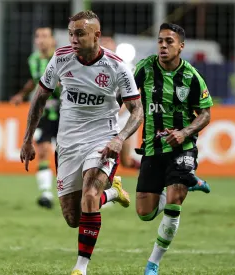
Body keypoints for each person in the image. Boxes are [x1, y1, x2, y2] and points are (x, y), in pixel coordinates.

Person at [20, 11, 143, 275]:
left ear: (96, 35)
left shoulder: (117, 67)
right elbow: (40, 99)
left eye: (80, 34)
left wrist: (119, 138)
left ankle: (80, 268)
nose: (74, 39)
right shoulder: (61, 58)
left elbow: (137, 110)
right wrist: (27, 138)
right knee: (73, 218)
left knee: (89, 196)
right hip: (68, 144)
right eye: (71, 33)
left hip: (102, 141)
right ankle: (113, 193)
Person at [132, 23, 213, 275]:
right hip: (152, 148)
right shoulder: (144, 70)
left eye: (169, 41)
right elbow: (128, 99)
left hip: (183, 147)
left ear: (181, 46)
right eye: (160, 41)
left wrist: (185, 132)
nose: (163, 46)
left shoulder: (191, 76)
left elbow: (206, 113)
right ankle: (187, 181)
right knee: (145, 213)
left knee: (175, 200)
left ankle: (153, 263)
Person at [10, 26, 60, 209]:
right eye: (38, 36)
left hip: (68, 113)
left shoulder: (63, 58)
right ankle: (46, 194)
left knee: (73, 155)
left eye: (45, 36)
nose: (41, 40)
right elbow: (35, 79)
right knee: (44, 150)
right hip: (46, 114)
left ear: (53, 40)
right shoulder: (33, 60)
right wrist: (22, 94)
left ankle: (98, 191)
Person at [99, 31, 142, 171]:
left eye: (108, 42)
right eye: (102, 42)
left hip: (122, 117)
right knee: (105, 156)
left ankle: (147, 169)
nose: (105, 45)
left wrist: (120, 109)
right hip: (104, 117)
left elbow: (137, 90)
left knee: (125, 161)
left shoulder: (125, 66)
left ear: (114, 45)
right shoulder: (95, 66)